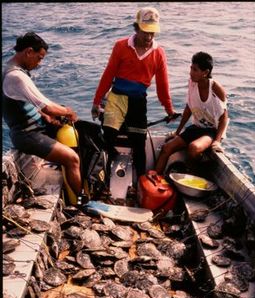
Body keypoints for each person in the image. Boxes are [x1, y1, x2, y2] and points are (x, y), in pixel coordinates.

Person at [91, 7, 178, 181]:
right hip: (116, 99)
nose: (149, 37)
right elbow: (108, 75)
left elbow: (163, 86)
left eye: (153, 32)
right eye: (145, 32)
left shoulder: (158, 53)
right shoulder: (121, 46)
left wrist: (169, 110)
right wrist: (96, 102)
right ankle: (102, 182)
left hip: (139, 102)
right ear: (136, 28)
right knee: (107, 140)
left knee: (139, 143)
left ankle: (141, 183)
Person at [2, 32, 82, 196]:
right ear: (29, 52)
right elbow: (47, 107)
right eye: (39, 58)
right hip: (27, 134)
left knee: (85, 135)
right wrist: (68, 112)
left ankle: (82, 185)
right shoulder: (16, 76)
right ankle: (82, 201)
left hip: (36, 127)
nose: (39, 64)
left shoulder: (14, 70)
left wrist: (46, 117)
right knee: (72, 159)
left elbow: (29, 105)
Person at [155, 51, 228, 175]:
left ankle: (202, 167)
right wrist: (177, 132)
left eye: (195, 70)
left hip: (211, 131)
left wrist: (217, 141)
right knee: (166, 148)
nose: (191, 72)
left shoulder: (216, 89)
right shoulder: (192, 82)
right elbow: (189, 107)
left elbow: (224, 118)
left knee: (193, 148)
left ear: (205, 73)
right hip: (196, 128)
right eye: (191, 68)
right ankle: (154, 179)